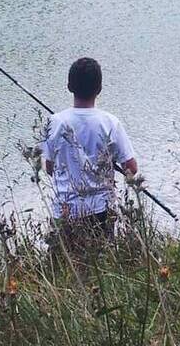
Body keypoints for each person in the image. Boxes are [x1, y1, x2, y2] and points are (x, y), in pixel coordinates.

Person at [39, 57, 138, 251]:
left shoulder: (56, 122)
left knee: (64, 266)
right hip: (101, 210)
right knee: (101, 262)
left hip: (65, 210)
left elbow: (49, 168)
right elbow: (132, 168)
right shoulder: (110, 122)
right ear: (99, 88)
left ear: (69, 86)